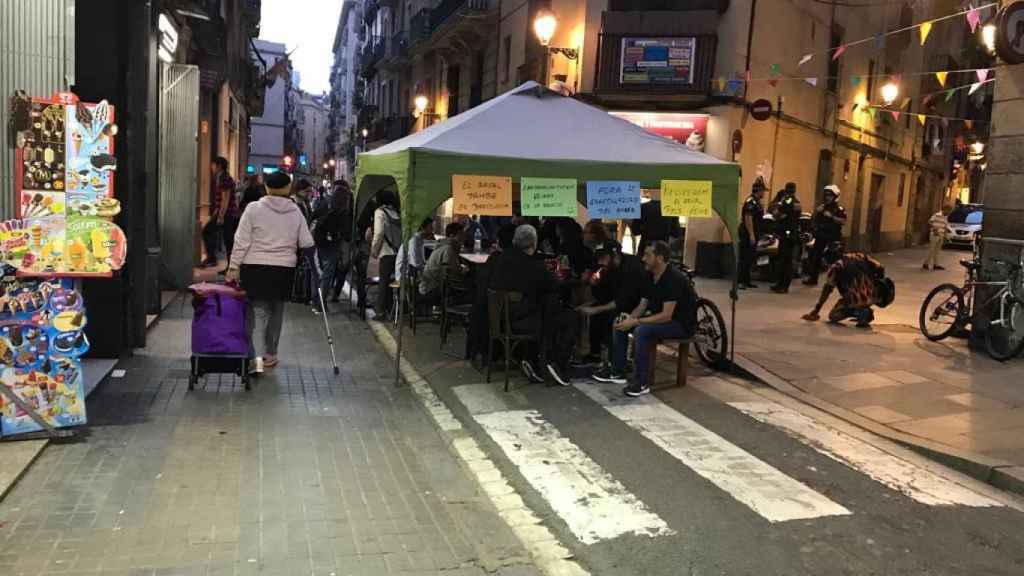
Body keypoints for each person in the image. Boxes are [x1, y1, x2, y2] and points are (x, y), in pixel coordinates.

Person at [226, 171, 314, 369]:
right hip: (283, 270)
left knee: (257, 313)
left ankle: (256, 359)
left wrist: (233, 266)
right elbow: (307, 242)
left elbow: (241, 240)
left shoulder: (253, 209)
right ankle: (270, 354)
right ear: (287, 189)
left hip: (254, 268)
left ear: (266, 187)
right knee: (276, 311)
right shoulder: (295, 211)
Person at [593, 241, 696, 398]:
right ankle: (618, 371)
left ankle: (642, 381)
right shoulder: (649, 275)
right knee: (620, 320)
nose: (643, 258)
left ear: (660, 258)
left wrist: (636, 322)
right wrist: (629, 318)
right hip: (664, 319)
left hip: (680, 323)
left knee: (642, 331)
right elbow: (642, 305)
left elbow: (666, 315)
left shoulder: (673, 278)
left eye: (648, 255)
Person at [489, 224, 578, 386]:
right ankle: (554, 362)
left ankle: (531, 358)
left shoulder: (502, 257)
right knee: (568, 317)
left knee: (547, 305)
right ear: (533, 243)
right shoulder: (532, 265)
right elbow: (554, 285)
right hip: (519, 321)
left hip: (498, 316)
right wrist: (578, 281)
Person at [577, 241, 649, 365]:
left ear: (615, 256)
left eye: (604, 258)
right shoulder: (607, 268)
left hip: (639, 306)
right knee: (597, 312)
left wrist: (595, 309)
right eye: (599, 258)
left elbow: (623, 301)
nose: (600, 262)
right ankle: (595, 354)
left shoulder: (631, 268)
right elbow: (604, 296)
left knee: (612, 316)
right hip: (621, 302)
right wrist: (594, 284)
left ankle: (615, 362)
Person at [802, 244, 887, 328]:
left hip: (855, 299)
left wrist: (817, 310)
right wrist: (874, 285)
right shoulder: (859, 256)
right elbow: (880, 268)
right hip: (873, 296)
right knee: (853, 299)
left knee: (833, 316)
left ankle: (859, 312)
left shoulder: (836, 267)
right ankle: (864, 312)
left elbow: (827, 290)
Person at [311, 181, 353, 306]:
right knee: (328, 274)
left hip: (319, 241)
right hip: (332, 243)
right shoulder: (342, 212)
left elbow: (312, 216)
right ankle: (321, 302)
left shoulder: (324, 205)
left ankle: (315, 298)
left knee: (319, 271)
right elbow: (346, 234)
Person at [804, 185, 848, 286]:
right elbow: (815, 220)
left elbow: (843, 221)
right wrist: (817, 212)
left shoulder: (839, 209)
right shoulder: (822, 207)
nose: (827, 197)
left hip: (833, 237)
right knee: (815, 257)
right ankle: (813, 278)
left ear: (835, 197)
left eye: (830, 196)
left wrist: (832, 216)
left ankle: (838, 280)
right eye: (826, 195)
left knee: (835, 259)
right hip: (821, 236)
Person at [201, 156, 237, 269]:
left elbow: (225, 199)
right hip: (224, 213)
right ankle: (215, 259)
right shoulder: (221, 177)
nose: (211, 167)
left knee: (226, 240)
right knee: (224, 238)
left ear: (219, 166)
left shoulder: (224, 178)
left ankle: (215, 260)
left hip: (227, 213)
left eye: (213, 165)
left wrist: (220, 216)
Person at [371, 190, 402, 316]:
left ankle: (380, 312)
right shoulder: (397, 213)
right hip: (398, 252)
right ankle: (391, 309)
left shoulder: (380, 212)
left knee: (383, 282)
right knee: (393, 281)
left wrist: (374, 250)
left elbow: (378, 233)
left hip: (386, 252)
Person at [770, 182, 802, 294]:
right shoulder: (796, 202)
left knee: (785, 261)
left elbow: (777, 213)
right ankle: (781, 284)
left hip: (787, 234)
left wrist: (777, 213)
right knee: (785, 260)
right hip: (791, 234)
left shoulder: (787, 200)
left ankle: (783, 285)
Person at [420, 222, 464, 301]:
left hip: (428, 287)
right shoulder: (448, 249)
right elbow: (454, 274)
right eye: (460, 235)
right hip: (432, 290)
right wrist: (463, 269)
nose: (463, 238)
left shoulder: (442, 245)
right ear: (451, 236)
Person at [738, 177, 766, 289]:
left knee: (749, 258)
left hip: (754, 233)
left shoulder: (757, 202)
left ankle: (747, 280)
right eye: (763, 191)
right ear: (758, 190)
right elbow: (748, 218)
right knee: (744, 258)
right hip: (747, 233)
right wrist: (751, 235)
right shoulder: (751, 202)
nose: (764, 193)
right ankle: (740, 281)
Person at [396, 217, 433, 282]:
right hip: (404, 275)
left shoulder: (419, 239)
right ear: (422, 228)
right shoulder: (414, 240)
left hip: (412, 272)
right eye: (430, 227)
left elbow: (421, 260)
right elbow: (415, 263)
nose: (432, 229)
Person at [923, 206, 949, 271]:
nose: (948, 212)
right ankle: (926, 263)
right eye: (947, 211)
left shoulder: (946, 217)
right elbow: (929, 222)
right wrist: (934, 228)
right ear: (944, 209)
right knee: (932, 250)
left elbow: (945, 226)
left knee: (937, 251)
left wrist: (945, 236)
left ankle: (936, 265)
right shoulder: (937, 215)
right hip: (934, 234)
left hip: (941, 235)